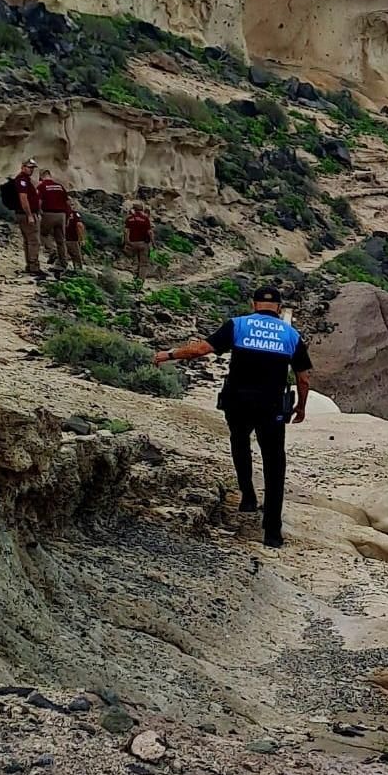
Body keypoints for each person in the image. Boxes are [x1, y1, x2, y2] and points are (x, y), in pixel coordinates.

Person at [154, 286, 311, 548]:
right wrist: (301, 407)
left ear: (253, 304)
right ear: (279, 308)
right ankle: (272, 531)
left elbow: (200, 350)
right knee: (275, 464)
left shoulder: (238, 325)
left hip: (237, 402)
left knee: (240, 444)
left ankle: (248, 497)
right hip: (271, 408)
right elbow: (303, 379)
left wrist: (169, 355)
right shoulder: (291, 334)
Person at [35, 169, 71, 271]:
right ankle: (63, 264)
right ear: (50, 175)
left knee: (42, 234)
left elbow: (39, 201)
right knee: (61, 241)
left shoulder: (42, 186)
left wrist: (38, 212)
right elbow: (68, 203)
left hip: (49, 213)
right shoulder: (60, 186)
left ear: (41, 177)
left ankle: (52, 251)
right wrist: (68, 216)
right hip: (62, 215)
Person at [13, 158, 42, 277]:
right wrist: (29, 215)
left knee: (28, 241)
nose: (31, 170)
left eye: (32, 168)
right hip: (26, 214)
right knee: (34, 241)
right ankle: (34, 267)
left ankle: (30, 265)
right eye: (29, 167)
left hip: (24, 214)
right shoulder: (22, 180)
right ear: (23, 167)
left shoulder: (24, 180)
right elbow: (23, 198)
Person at [124, 204, 154, 279]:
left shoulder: (129, 219)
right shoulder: (145, 219)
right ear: (142, 210)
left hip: (132, 243)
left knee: (135, 262)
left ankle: (133, 278)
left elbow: (126, 231)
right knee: (143, 264)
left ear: (134, 210)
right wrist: (153, 243)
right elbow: (150, 232)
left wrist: (126, 242)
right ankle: (140, 281)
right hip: (143, 243)